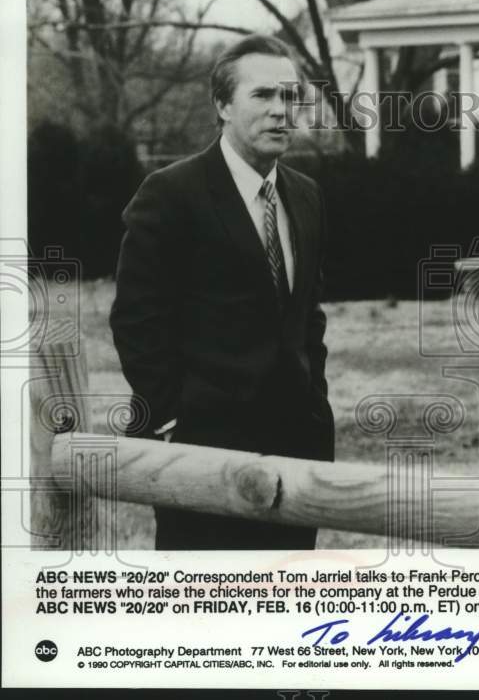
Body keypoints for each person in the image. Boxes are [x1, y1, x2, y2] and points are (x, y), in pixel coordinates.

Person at [110, 35, 334, 549]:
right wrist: (169, 420)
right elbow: (137, 320)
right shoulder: (171, 193)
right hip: (200, 453)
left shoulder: (306, 195)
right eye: (263, 96)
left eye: (290, 96)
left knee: (286, 614)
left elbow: (308, 319)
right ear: (222, 105)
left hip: (296, 453)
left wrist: (316, 409)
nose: (281, 111)